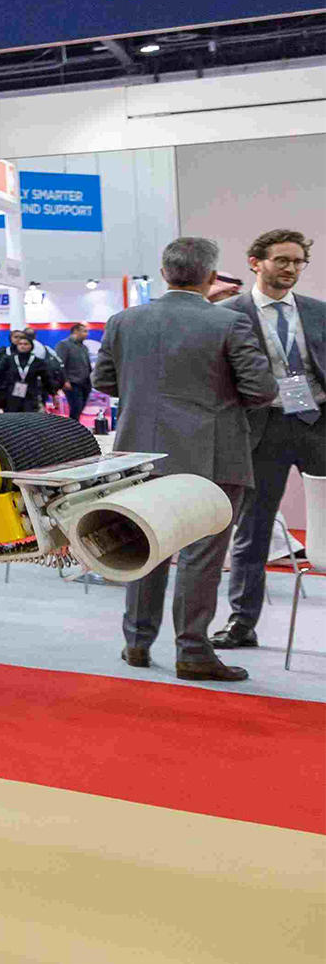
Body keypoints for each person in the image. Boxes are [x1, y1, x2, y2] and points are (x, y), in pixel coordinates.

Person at [94, 236, 275, 681]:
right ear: (211, 277)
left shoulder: (123, 321)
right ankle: (192, 650)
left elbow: (104, 381)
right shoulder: (229, 323)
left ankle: (137, 643)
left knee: (145, 547)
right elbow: (261, 390)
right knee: (201, 556)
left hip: (139, 456)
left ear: (164, 273)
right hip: (213, 457)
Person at [215, 229, 324, 649]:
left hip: (318, 423)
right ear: (255, 262)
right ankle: (241, 624)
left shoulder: (317, 311)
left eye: (298, 261)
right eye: (282, 260)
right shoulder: (227, 314)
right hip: (263, 428)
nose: (291, 268)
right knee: (254, 530)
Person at [0, 327, 60, 413]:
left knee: (29, 416)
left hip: (30, 395)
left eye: (25, 344)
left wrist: (53, 393)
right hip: (10, 395)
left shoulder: (37, 362)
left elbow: (46, 379)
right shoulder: (8, 359)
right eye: (20, 344)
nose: (22, 346)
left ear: (31, 346)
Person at [55, 325, 94, 423]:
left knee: (80, 408)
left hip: (85, 383)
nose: (87, 334)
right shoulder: (63, 345)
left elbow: (88, 365)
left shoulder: (84, 347)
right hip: (72, 383)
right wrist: (64, 381)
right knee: (76, 407)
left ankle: (73, 426)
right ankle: (72, 428)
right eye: (84, 331)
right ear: (76, 331)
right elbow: (59, 364)